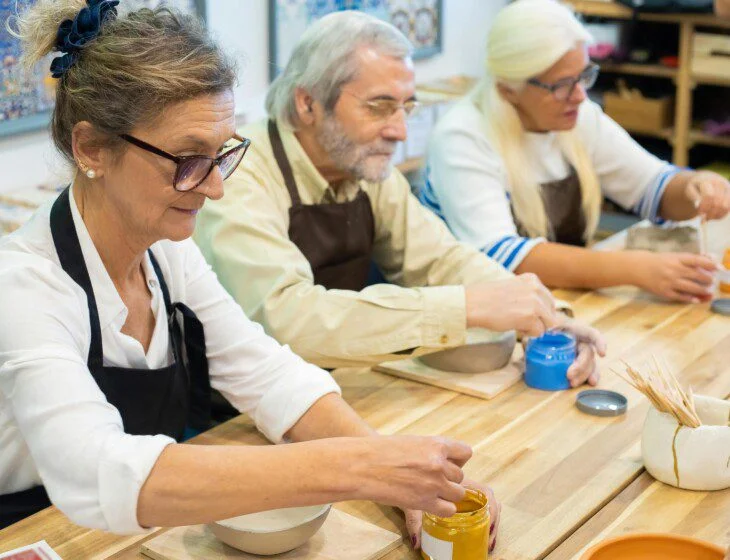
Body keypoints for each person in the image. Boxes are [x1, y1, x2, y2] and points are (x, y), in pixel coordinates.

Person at [0, 1, 502, 550]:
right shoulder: (25, 284)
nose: (215, 188)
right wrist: (359, 468)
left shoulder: (165, 252)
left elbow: (267, 375)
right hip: (41, 529)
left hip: (135, 521)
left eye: (223, 155)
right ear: (92, 147)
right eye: (188, 160)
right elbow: (94, 470)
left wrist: (393, 469)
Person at [193, 11, 605, 376]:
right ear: (307, 103)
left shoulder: (362, 164)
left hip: (334, 383)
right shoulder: (239, 174)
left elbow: (440, 259)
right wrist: (465, 308)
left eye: (406, 107)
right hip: (235, 414)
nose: (400, 131)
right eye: (378, 106)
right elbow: (287, 318)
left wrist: (544, 316)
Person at [421, 0, 730, 303]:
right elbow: (503, 258)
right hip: (469, 313)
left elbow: (654, 187)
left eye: (584, 76)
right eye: (562, 85)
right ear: (507, 88)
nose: (580, 95)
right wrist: (634, 268)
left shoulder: (579, 117)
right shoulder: (463, 136)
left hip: (549, 300)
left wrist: (697, 187)